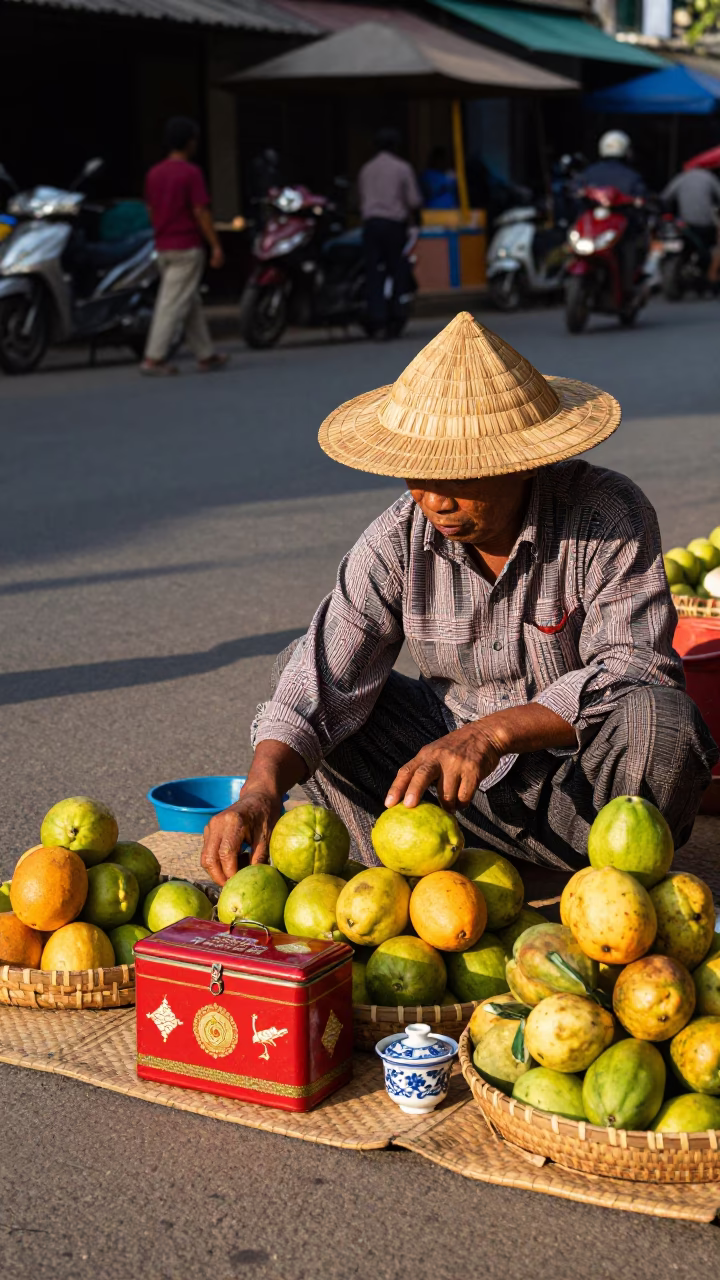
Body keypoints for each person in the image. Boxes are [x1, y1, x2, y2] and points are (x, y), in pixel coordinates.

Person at [200, 312, 718, 886]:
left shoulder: (604, 514)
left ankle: (613, 888)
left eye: (458, 479)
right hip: (448, 797)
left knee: (661, 718)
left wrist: (491, 735)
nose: (435, 501)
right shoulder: (398, 538)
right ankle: (420, 873)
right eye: (417, 478)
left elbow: (634, 666)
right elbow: (320, 677)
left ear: (522, 464)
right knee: (302, 678)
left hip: (586, 794)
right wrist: (259, 791)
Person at [142, 117, 227, 377]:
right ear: (190, 142)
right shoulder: (191, 173)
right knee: (172, 304)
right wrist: (215, 245)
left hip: (163, 245)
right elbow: (200, 210)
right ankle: (154, 358)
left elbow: (150, 209)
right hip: (186, 245)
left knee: (188, 300)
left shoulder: (154, 173)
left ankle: (206, 353)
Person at [358, 127, 422, 338]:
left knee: (374, 272)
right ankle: (395, 312)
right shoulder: (402, 168)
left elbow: (360, 198)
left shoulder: (366, 169)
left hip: (371, 225)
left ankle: (377, 319)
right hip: (394, 225)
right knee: (397, 270)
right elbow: (413, 200)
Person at [577, 131, 648, 297]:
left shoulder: (589, 172)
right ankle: (627, 286)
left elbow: (641, 199)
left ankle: (627, 289)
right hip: (597, 227)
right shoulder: (631, 175)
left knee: (628, 247)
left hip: (612, 228)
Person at [661, 165, 720, 274]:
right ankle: (709, 275)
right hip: (705, 224)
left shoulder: (681, 178)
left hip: (685, 224)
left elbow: (665, 197)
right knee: (712, 248)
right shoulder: (710, 178)